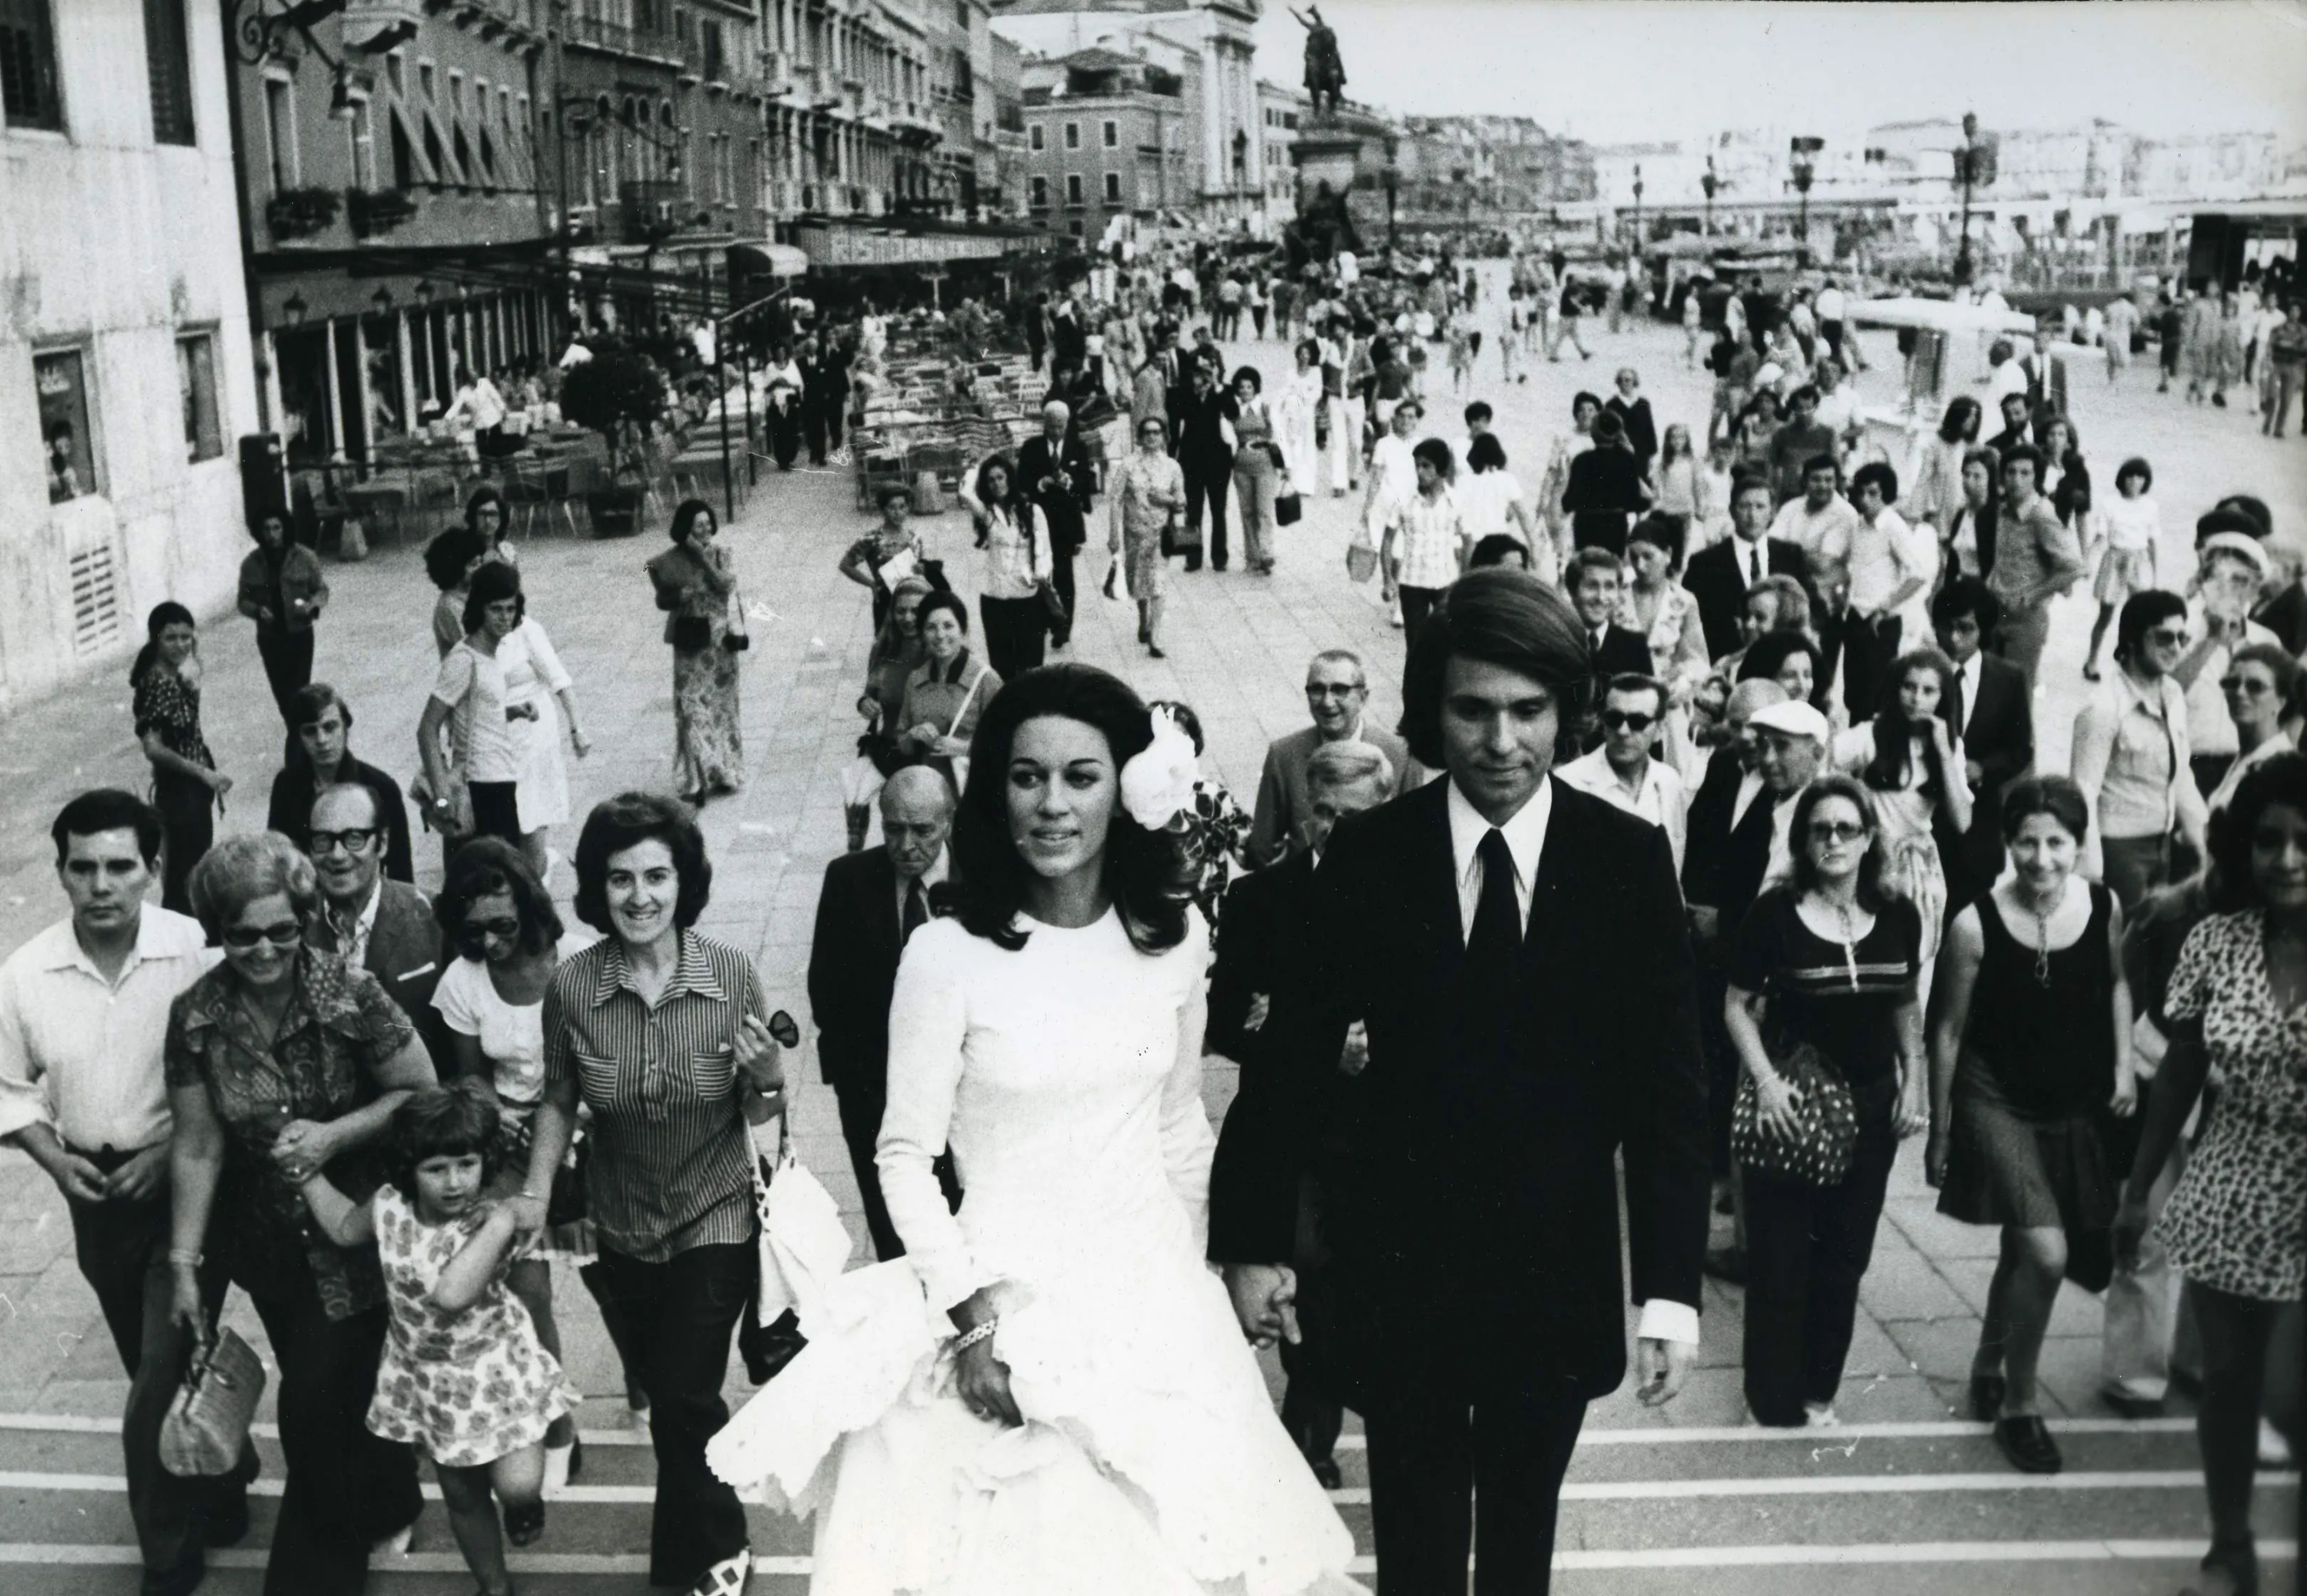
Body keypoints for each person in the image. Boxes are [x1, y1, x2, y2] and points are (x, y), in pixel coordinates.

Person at [710, 665, 1364, 1594]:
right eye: (1026, 776)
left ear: (1126, 791)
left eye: (1080, 776)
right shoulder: (945, 953)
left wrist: (1221, 1266)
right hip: (1004, 1297)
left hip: (1152, 1295)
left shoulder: (1175, 940)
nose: (1051, 804)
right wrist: (970, 1318)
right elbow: (902, 1155)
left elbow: (1178, 1123)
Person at [1212, 568, 1707, 1591]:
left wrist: (1669, 1289)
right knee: (1420, 1556)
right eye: (1472, 710)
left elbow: (1668, 1087)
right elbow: (1290, 1059)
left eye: (1528, 711)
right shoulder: (1367, 856)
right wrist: (1253, 1240)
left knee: (1520, 1551)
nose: (1499, 742)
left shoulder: (1624, 860)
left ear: (1564, 714)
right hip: (1404, 1285)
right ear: (1430, 714)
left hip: (1552, 1283)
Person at [512, 794, 784, 1596]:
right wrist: (533, 1194)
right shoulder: (572, 987)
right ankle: (680, 1555)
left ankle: (724, 1546)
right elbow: (558, 1098)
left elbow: (762, 1108)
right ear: (597, 887)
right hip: (622, 1224)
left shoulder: (731, 974)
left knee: (683, 1389)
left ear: (682, 881)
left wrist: (768, 1080)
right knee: (671, 1395)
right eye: (620, 878)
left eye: (656, 875)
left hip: (716, 1210)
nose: (639, 896)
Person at [164, 832, 436, 1594]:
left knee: (311, 1412)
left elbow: (421, 1090)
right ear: (219, 930)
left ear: (305, 917)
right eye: (241, 934)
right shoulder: (195, 1016)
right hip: (272, 1252)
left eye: (282, 929)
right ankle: (387, 1493)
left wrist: (333, 1136)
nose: (263, 949)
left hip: (358, 1235)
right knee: (337, 1393)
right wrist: (185, 1266)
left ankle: (315, 1580)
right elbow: (196, 1147)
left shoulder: (353, 993)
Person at [0, 791, 251, 1594]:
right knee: (150, 1354)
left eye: (119, 866)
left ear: (153, 868)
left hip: (187, 1187)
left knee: (152, 1373)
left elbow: (237, 1073)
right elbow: (7, 1087)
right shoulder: (25, 972)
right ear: (62, 871)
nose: (101, 884)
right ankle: (227, 1458)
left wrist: (172, 1146)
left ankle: (167, 1551)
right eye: (83, 867)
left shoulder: (197, 952)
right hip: (91, 1190)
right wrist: (51, 1158)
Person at [2112, 754, 2307, 1596]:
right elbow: (2178, 1072)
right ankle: (2229, 1547)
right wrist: (2134, 1190)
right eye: (2269, 839)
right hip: (2232, 1181)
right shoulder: (2212, 941)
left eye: (2306, 840)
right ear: (2242, 846)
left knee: (2291, 1395)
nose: (2288, 858)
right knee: (2227, 1385)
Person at [1927, 776, 2134, 1475]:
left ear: (2078, 844)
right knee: (2046, 1252)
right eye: (2026, 842)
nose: (2041, 858)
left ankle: (1987, 1366)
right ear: (2006, 843)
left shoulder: (2104, 906)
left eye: (2056, 843)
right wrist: (1939, 1128)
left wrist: (2125, 1070)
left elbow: (2114, 982)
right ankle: (2019, 1406)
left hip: (2069, 1102)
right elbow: (1947, 1032)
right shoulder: (1972, 923)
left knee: (2023, 1249)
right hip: (1994, 1101)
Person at [294, 1085, 576, 1596]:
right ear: (409, 1168)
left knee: (516, 1483)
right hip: (431, 1380)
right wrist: (306, 1173)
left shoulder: (489, 1222)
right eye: (436, 1169)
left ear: (484, 1162)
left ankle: (523, 1503)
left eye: (467, 1164)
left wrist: (507, 1215)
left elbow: (452, 1293)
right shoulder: (389, 1208)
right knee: (462, 1496)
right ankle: (494, 1586)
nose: (454, 1183)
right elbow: (340, 1225)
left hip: (493, 1371)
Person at [1207, 738, 1396, 1491]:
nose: (1335, 830)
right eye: (1322, 812)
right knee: (1309, 1282)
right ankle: (1310, 1434)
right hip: (1298, 1135)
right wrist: (1323, 1042)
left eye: (1354, 816)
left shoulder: (1416, 895)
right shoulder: (1261, 899)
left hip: (1386, 1134)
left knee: (1373, 1289)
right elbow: (1227, 1027)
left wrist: (1283, 1017)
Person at [1726, 774, 1928, 1428]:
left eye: (1846, 828)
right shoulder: (1774, 914)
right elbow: (1734, 1006)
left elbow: (1904, 1003)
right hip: (1794, 1107)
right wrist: (1764, 1081)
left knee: (1842, 1260)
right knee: (1781, 1259)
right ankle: (1768, 1400)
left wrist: (1914, 1082)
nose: (1834, 839)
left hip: (1870, 1110)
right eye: (1820, 829)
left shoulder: (1898, 913)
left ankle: (1817, 1394)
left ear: (1869, 838)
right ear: (1802, 840)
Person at [428, 838, 583, 1485]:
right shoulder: (462, 981)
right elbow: (470, 1081)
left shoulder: (576, 962)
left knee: (618, 1284)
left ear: (529, 905)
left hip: (593, 1125)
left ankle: (639, 1391)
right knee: (527, 1291)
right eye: (473, 931)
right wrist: (503, 1122)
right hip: (510, 1138)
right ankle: (559, 1427)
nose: (489, 943)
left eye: (502, 926)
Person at [808, 766, 965, 1264]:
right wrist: (854, 1085)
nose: (907, 844)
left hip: (963, 1097)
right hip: (876, 1097)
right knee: (897, 1242)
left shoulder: (982, 880)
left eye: (923, 830)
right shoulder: (848, 879)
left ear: (949, 821)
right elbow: (825, 987)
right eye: (893, 828)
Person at [1681, 680, 1794, 1278]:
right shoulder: (1724, 767)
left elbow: (1768, 873)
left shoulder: (1787, 791)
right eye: (1735, 725)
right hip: (1704, 940)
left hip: (1747, 944)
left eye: (1754, 729)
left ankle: (1739, 1190)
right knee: (1709, 1052)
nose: (1744, 740)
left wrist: (1721, 920)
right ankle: (1722, 1170)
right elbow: (1703, 840)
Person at [417, 562, 591, 878]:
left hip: (502, 781)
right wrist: (443, 799)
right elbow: (427, 728)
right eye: (495, 609)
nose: (504, 617)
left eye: (510, 609)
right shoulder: (464, 659)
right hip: (478, 785)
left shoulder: (492, 656)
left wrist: (513, 712)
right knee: (481, 881)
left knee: (506, 878)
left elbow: (480, 712)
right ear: (479, 608)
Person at [1832, 650, 1973, 995]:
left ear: (1944, 698)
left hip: (1915, 867)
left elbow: (1962, 820)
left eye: (1929, 691)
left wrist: (1943, 752)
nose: (1917, 699)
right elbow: (1827, 763)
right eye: (1909, 687)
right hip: (1870, 859)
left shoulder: (1949, 747)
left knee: (1909, 966)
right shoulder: (1872, 735)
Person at [2071, 591, 2209, 911]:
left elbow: (2181, 773)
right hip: (2119, 850)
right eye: (2164, 638)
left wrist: (2201, 838)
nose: (2175, 648)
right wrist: (2091, 869)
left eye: (2181, 638)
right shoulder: (2103, 708)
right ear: (2132, 639)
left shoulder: (2172, 694)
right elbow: (2083, 793)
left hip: (2163, 845)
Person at [303, 781, 451, 1064]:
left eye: (354, 838)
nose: (336, 855)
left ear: (382, 843)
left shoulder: (434, 915)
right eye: (323, 840)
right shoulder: (290, 928)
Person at [1246, 650, 1412, 868]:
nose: (1327, 701)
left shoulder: (1400, 753)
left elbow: (1414, 837)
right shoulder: (1284, 755)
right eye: (1317, 690)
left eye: (1340, 690)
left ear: (1363, 697)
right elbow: (1263, 846)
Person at [1934, 579, 2035, 918]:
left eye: (1966, 628)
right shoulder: (1919, 676)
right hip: (1925, 826)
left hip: (1979, 831)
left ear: (1984, 630)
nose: (1954, 638)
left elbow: (2021, 750)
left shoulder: (2008, 679)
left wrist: (1983, 769)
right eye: (1946, 628)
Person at [646, 500, 746, 806]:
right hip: (690, 643)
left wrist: (701, 557)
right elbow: (660, 597)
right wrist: (678, 595)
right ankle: (693, 775)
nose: (703, 530)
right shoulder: (667, 560)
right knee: (689, 707)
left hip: (719, 643)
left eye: (706, 524)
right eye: (696, 525)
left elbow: (725, 585)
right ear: (684, 529)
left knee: (721, 707)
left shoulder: (721, 553)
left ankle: (723, 769)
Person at [132, 603, 228, 914]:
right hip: (180, 793)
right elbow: (153, 748)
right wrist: (203, 773)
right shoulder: (158, 683)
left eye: (186, 637)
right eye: (171, 637)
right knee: (185, 880)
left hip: (192, 791)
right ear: (155, 638)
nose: (181, 645)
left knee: (191, 872)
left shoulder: (177, 675)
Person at [267, 685, 414, 883]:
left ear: (346, 726)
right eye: (310, 731)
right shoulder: (286, 785)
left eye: (330, 727)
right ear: (299, 738)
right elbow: (278, 858)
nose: (321, 740)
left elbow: (401, 870)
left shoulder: (381, 787)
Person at [1840, 461, 1938, 729]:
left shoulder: (1893, 525)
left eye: (1873, 493)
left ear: (1887, 494)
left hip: (1880, 622)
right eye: (1861, 493)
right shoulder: (1858, 524)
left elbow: (1918, 574)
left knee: (1876, 695)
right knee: (1853, 694)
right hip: (1855, 617)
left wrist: (1885, 607)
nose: (1865, 499)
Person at [1557, 673, 1689, 870]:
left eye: (1638, 721)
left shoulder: (1669, 783)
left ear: (1660, 729)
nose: (1623, 731)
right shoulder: (1569, 783)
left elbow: (1674, 864)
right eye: (1614, 719)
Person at [1987, 445, 2088, 689]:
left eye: (2025, 473)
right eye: (2010, 472)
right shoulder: (2003, 510)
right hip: (1995, 612)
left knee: (2017, 698)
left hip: (2025, 619)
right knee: (1991, 693)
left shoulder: (2042, 514)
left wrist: (2031, 595)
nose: (2016, 480)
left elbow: (2074, 568)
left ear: (2036, 477)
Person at [1688, 476, 1810, 662]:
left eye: (1760, 507)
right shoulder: (1704, 562)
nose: (1752, 516)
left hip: (1782, 660)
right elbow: (1692, 622)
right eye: (1744, 507)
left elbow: (1811, 606)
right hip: (1724, 662)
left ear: (1772, 512)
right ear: (1732, 511)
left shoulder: (1791, 555)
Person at [237, 506, 329, 729]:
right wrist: (258, 611)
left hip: (299, 634)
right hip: (270, 638)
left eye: (277, 527)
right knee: (281, 694)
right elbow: (242, 601)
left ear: (285, 528)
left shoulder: (305, 557)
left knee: (299, 691)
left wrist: (311, 605)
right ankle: (298, 737)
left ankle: (298, 740)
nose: (272, 534)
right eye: (266, 529)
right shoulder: (251, 564)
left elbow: (321, 590)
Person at [895, 591, 1001, 783]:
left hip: (973, 789)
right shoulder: (916, 679)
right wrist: (913, 735)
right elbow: (901, 741)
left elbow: (1007, 742)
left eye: (948, 626)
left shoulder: (986, 680)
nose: (940, 635)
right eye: (931, 628)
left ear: (963, 631)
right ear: (923, 635)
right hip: (929, 790)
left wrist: (965, 748)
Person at [1109, 413, 1187, 659]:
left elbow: (1182, 501)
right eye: (1148, 433)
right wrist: (1113, 534)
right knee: (1138, 581)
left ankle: (1156, 635)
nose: (1152, 437)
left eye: (1157, 432)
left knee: (1158, 583)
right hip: (1134, 532)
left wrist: (1171, 500)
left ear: (1164, 437)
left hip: (1160, 533)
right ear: (1140, 438)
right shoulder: (1128, 465)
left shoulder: (1173, 466)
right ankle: (1143, 620)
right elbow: (1115, 499)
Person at [1017, 400, 1095, 644]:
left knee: (1064, 577)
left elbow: (1086, 486)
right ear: (1044, 424)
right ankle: (1045, 620)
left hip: (1066, 525)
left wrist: (1071, 484)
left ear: (1067, 425)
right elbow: (1021, 483)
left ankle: (1063, 626)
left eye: (1060, 427)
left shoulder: (1077, 448)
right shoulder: (1031, 448)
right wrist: (1039, 485)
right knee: (1041, 574)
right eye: (1051, 427)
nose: (1055, 431)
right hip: (1039, 522)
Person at [1380, 437, 1466, 646]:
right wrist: (1388, 579)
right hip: (1412, 582)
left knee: (1447, 642)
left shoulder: (1455, 501)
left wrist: (1465, 577)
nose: (1420, 471)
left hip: (1446, 581)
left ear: (1441, 469)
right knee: (1416, 644)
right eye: (1417, 465)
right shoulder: (1404, 500)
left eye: (1426, 466)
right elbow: (1387, 540)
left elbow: (1468, 539)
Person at [2085, 456, 2163, 681]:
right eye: (2130, 476)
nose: (2134, 481)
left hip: (2138, 561)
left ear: (2145, 481)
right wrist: (2089, 559)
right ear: (2122, 479)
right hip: (2115, 559)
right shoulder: (2110, 503)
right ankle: (2091, 661)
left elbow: (2152, 541)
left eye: (2140, 477)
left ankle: (2130, 661)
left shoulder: (2151, 506)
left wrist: (2154, 574)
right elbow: (2101, 536)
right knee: (2106, 615)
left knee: (2138, 616)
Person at [1174, 358, 1238, 573]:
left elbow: (1232, 412)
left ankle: (1220, 557)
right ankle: (1192, 558)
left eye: (1207, 373)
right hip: (1191, 462)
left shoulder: (1223, 392)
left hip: (1218, 463)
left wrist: (1217, 386)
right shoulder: (1184, 394)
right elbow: (1178, 418)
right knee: (1192, 511)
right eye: (1199, 373)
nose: (1203, 378)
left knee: (1218, 511)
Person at [1561, 407, 1651, 556]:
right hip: (1616, 524)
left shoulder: (1582, 460)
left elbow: (1568, 502)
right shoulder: (1627, 460)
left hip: (1585, 524)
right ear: (1618, 433)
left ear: (1594, 432)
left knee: (1586, 568)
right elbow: (1634, 501)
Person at [837, 486, 926, 633]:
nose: (898, 513)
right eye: (892, 507)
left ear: (908, 508)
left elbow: (920, 568)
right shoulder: (872, 539)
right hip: (885, 601)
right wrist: (871, 584)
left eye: (902, 507)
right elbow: (846, 565)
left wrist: (921, 570)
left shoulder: (915, 539)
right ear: (883, 509)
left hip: (912, 602)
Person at [1768, 455, 1859, 592]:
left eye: (1829, 480)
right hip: (1787, 582)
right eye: (1816, 479)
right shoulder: (1791, 507)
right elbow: (1769, 545)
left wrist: (1784, 551)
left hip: (1824, 589)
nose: (1822, 486)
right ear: (1804, 481)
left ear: (1836, 482)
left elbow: (1821, 564)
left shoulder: (1845, 513)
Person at [1228, 367, 1283, 575]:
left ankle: (1266, 553)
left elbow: (1278, 435)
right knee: (1247, 512)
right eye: (1241, 387)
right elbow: (1227, 436)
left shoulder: (1266, 409)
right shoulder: (1234, 412)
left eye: (1249, 386)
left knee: (1264, 511)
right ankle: (1252, 557)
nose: (1245, 390)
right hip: (1241, 465)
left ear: (1256, 388)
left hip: (1265, 464)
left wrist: (1285, 465)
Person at [1605, 365, 1657, 472]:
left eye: (1628, 380)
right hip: (1619, 456)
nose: (1624, 383)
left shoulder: (1643, 403)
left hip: (1642, 455)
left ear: (1634, 382)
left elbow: (1649, 429)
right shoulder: (1611, 405)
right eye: (1620, 380)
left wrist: (1652, 453)